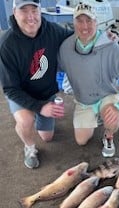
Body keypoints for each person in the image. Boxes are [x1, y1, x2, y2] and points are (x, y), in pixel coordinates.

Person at [58, 3, 119, 158]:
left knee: (112, 119)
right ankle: (96, 117)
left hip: (107, 95)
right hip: (83, 100)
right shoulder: (65, 48)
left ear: (97, 22)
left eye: (89, 20)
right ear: (73, 23)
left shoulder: (112, 47)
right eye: (80, 21)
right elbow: (52, 69)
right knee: (81, 141)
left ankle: (108, 136)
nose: (85, 26)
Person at [0, 0, 73, 169]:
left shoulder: (53, 31)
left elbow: (79, 38)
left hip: (46, 94)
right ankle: (29, 147)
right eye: (24, 10)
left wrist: (105, 37)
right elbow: (10, 89)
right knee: (26, 121)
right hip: (21, 94)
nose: (31, 16)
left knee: (47, 137)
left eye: (34, 10)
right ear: (14, 12)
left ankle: (40, 115)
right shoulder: (6, 44)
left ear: (40, 11)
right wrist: (40, 108)